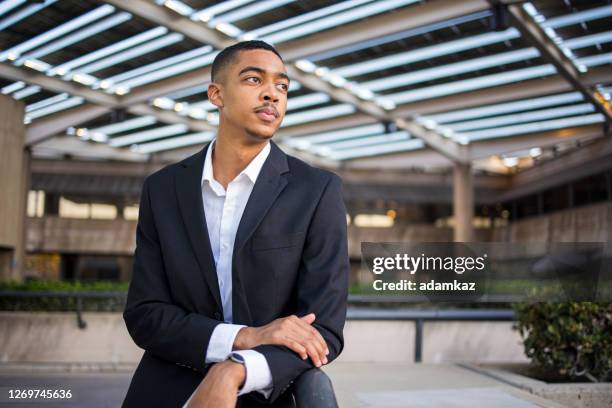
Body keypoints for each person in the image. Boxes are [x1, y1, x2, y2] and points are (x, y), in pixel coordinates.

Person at [121, 40, 349, 408]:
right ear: (216, 95)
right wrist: (244, 336)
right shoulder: (162, 189)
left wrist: (235, 368)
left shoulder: (317, 191)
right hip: (165, 387)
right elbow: (145, 313)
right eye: (254, 79)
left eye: (282, 86)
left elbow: (323, 330)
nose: (272, 94)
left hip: (267, 391)